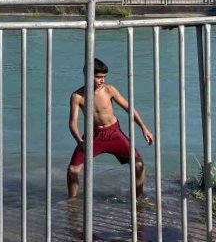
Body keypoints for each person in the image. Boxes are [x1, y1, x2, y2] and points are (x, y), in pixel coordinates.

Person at [66, 58, 154, 200]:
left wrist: (144, 128)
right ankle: (72, 202)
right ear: (88, 75)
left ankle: (138, 199)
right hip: (93, 136)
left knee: (139, 165)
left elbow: (129, 108)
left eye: (104, 77)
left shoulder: (109, 90)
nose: (102, 80)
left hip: (114, 133)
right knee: (72, 170)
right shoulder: (77, 96)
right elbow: (72, 122)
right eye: (98, 77)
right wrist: (79, 140)